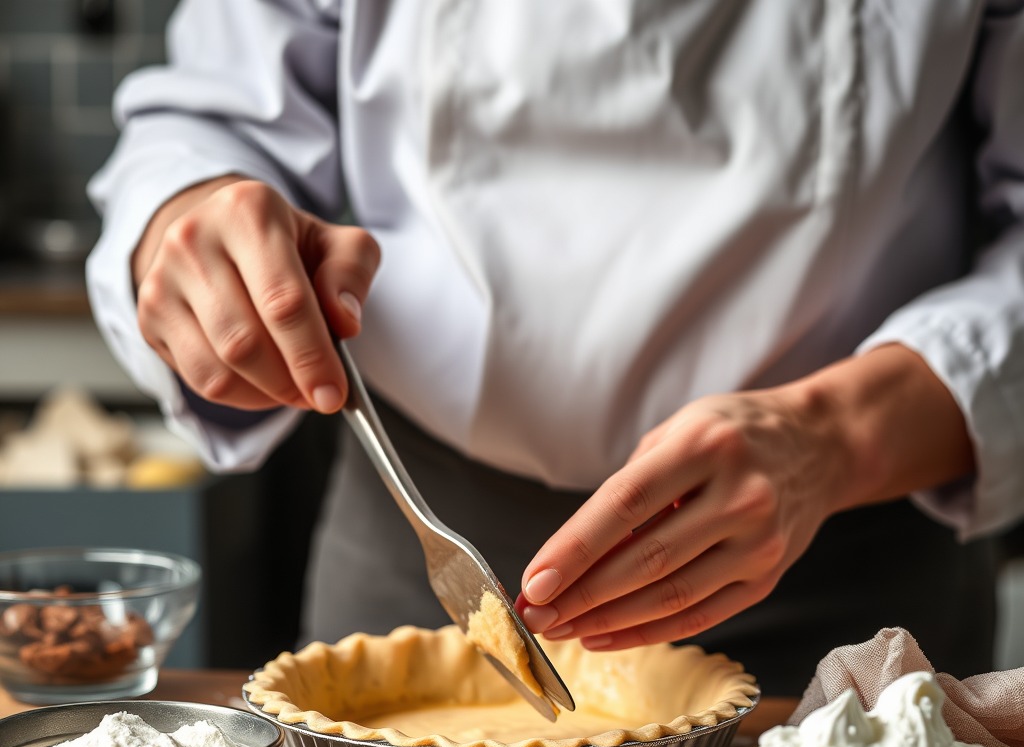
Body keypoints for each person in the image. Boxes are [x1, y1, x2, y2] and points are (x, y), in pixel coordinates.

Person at [86, 1, 1024, 695]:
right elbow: (210, 112)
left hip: (851, 588)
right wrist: (188, 213)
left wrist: (835, 437)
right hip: (418, 544)